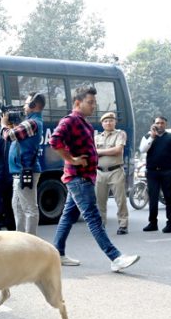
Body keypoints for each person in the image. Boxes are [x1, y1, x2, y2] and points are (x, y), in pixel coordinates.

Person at [49, 86, 139, 272]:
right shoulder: (71, 120)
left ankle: (57, 253)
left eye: (94, 103)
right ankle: (115, 257)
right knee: (93, 218)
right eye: (90, 102)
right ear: (77, 102)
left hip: (84, 177)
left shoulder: (85, 123)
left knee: (68, 216)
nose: (93, 106)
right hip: (78, 178)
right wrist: (71, 159)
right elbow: (55, 140)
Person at [4, 92, 45, 235]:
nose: (24, 106)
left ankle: (30, 241)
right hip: (19, 171)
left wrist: (4, 125)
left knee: (29, 208)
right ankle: (20, 238)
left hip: (26, 170)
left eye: (26, 103)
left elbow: (8, 136)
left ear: (34, 105)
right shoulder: (29, 122)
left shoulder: (32, 122)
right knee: (17, 206)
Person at [139, 116, 171, 233]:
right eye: (158, 123)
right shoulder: (147, 136)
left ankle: (170, 224)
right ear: (154, 124)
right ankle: (153, 223)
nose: (160, 125)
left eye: (162, 123)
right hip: (152, 171)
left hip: (167, 171)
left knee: (169, 198)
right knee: (153, 198)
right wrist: (152, 137)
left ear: (165, 125)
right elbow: (142, 149)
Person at [95, 111, 129, 235]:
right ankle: (101, 224)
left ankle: (123, 225)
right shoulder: (97, 137)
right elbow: (92, 153)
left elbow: (118, 150)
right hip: (100, 172)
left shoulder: (120, 134)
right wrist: (102, 151)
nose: (108, 123)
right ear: (102, 124)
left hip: (115, 171)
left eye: (111, 120)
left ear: (115, 122)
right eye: (105, 121)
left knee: (120, 200)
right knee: (100, 201)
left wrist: (100, 151)